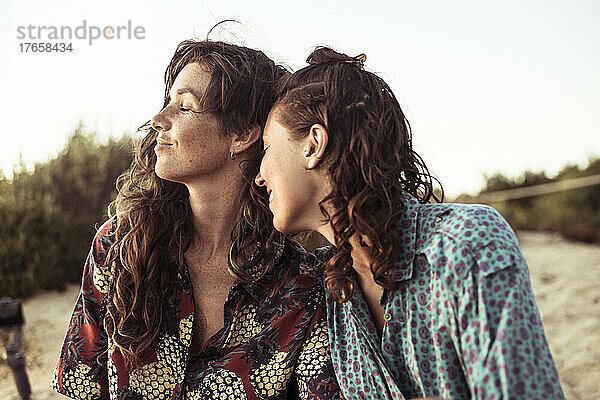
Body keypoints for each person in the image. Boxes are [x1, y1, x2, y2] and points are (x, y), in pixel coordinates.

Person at [255, 47, 565, 399]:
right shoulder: (328, 290)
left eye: (266, 148)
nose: (259, 178)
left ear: (313, 145)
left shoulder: (466, 242)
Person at [52, 39, 341, 400]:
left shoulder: (303, 288)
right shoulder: (119, 247)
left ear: (242, 135)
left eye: (185, 106)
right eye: (166, 103)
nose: (158, 119)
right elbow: (82, 386)